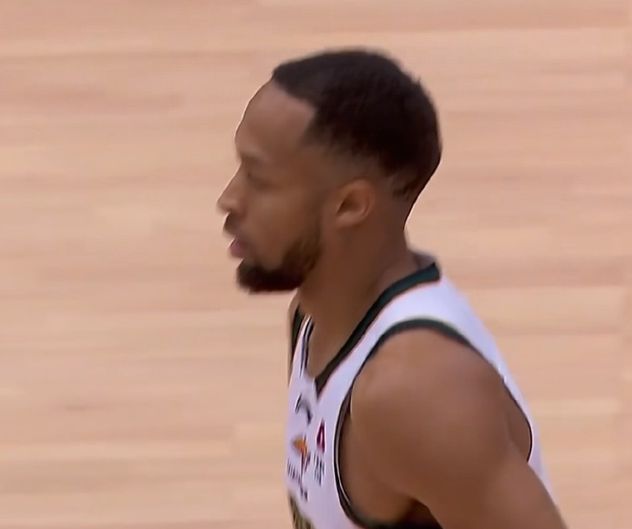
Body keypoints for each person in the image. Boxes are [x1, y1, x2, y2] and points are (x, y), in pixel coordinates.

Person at [218, 48, 568, 529]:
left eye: (259, 179)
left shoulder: (415, 391)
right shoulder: (315, 314)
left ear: (350, 206)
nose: (229, 199)